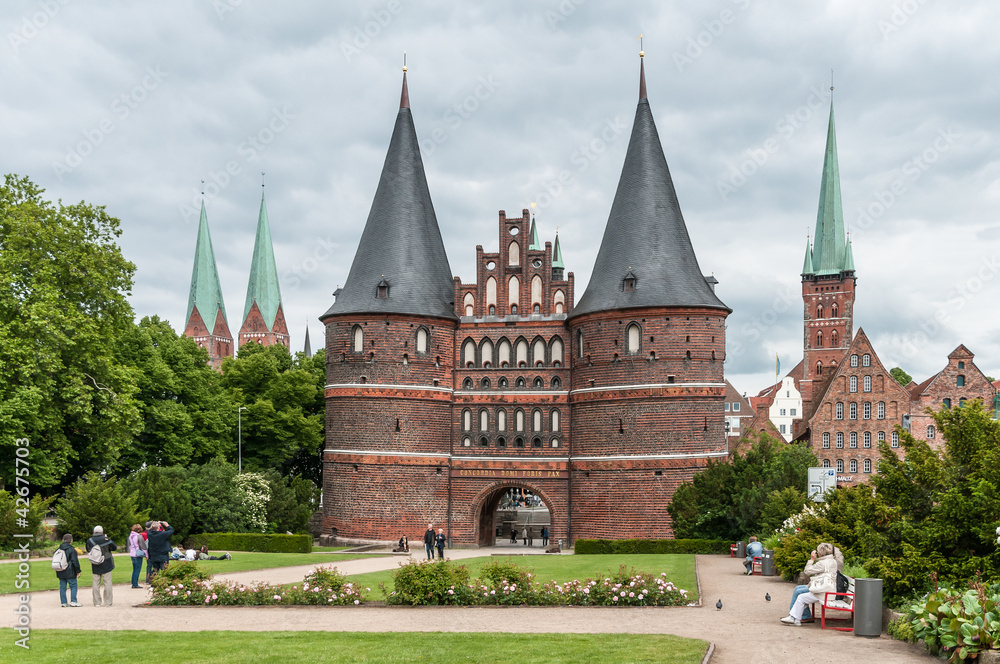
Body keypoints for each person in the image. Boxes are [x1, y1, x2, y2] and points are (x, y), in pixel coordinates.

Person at [781, 542, 838, 626]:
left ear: (821, 553)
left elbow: (807, 571)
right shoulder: (832, 561)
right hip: (828, 589)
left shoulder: (823, 563)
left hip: (822, 591)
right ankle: (796, 618)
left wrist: (811, 560)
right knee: (799, 591)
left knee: (800, 595)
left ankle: (795, 617)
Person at [85, 526, 117, 607]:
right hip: (107, 563)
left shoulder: (90, 540)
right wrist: (108, 539)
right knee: (108, 583)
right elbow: (114, 548)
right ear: (102, 531)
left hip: (95, 564)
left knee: (96, 584)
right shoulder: (106, 539)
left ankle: (97, 602)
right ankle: (108, 602)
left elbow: (88, 550)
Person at [55, 534, 82, 607]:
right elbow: (75, 561)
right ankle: (73, 601)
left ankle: (63, 602)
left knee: (62, 587)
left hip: (60, 570)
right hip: (70, 571)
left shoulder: (58, 549)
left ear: (63, 540)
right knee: (73, 585)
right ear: (71, 541)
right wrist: (78, 571)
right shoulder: (72, 550)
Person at [127, 524, 146, 589]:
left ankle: (133, 582)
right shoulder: (139, 536)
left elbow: (129, 545)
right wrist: (146, 554)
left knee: (134, 569)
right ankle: (135, 584)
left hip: (132, 554)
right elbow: (142, 546)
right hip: (138, 554)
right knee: (137, 569)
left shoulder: (130, 536)